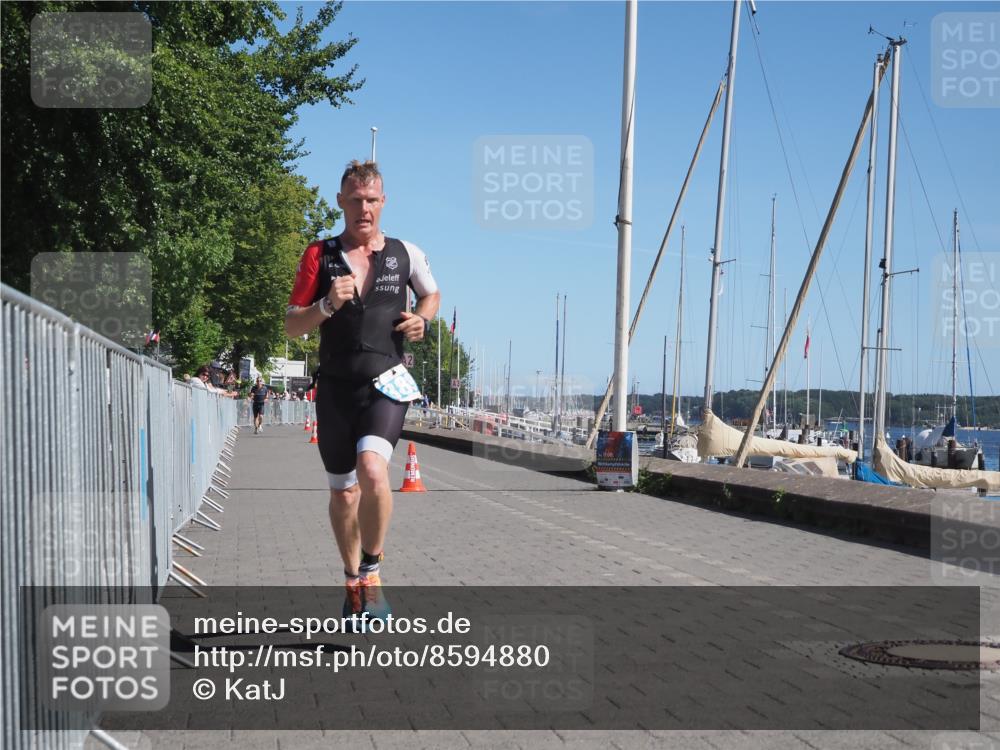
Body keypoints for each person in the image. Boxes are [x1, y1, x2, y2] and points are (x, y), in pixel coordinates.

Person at [284, 160, 440, 620]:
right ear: (341, 202)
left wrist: (422, 319)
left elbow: (431, 294)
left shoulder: (405, 253)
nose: (364, 209)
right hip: (335, 388)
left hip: (385, 383)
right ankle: (352, 578)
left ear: (384, 201)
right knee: (344, 493)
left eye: (372, 200)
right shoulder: (320, 254)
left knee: (373, 470)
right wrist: (326, 305)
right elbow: (291, 325)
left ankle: (371, 572)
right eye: (355, 200)